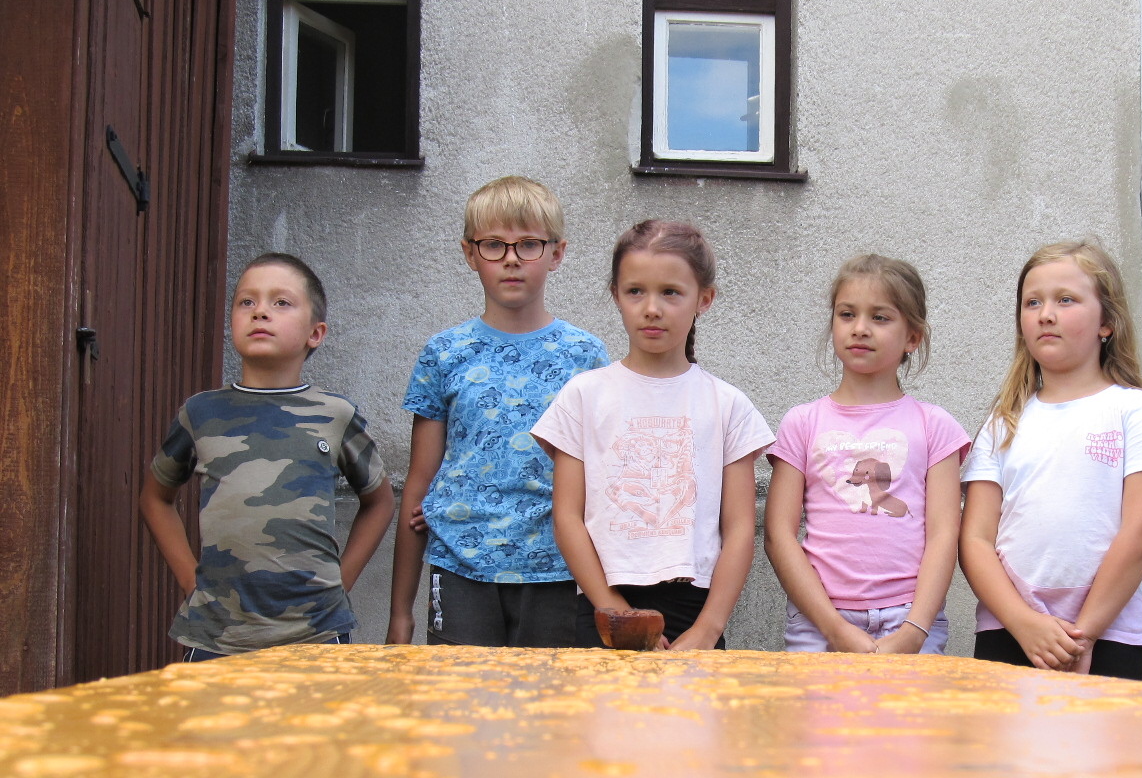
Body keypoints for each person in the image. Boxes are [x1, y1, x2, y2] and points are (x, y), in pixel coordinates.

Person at [387, 177, 608, 647]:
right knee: (461, 694)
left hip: (557, 569)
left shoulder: (585, 356)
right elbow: (419, 485)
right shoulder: (444, 353)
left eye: (528, 244)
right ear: (470, 254)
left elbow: (602, 477)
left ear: (557, 253)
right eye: (493, 245)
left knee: (548, 695)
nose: (511, 259)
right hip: (460, 565)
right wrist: (399, 614)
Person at [140, 253, 394, 661]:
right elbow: (156, 498)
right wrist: (191, 582)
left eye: (281, 302)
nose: (260, 311)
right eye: (247, 301)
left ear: (315, 333)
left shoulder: (336, 415)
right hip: (217, 637)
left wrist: (340, 583)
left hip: (315, 634)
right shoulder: (200, 413)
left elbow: (379, 502)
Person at [533, 220, 774, 649]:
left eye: (670, 292)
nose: (651, 308)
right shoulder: (583, 396)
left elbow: (739, 529)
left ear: (704, 299)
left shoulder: (727, 405)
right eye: (635, 291)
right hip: (604, 605)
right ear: (616, 295)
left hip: (695, 613)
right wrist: (615, 612)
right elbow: (567, 516)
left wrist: (708, 630)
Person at [960, 240, 1142, 679]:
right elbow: (975, 540)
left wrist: (1085, 634)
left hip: (1109, 635)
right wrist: (1024, 624)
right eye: (1033, 302)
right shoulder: (1002, 422)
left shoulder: (1137, 411)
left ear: (1107, 322)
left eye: (1066, 300)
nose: (1046, 314)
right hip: (1009, 631)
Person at [765, 254, 969, 654]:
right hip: (820, 620)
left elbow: (945, 534)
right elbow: (778, 535)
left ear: (912, 337)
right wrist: (833, 628)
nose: (860, 328)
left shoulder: (935, 426)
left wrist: (915, 629)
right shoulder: (802, 422)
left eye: (880, 317)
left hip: (909, 617)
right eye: (847, 314)